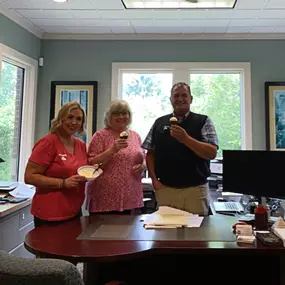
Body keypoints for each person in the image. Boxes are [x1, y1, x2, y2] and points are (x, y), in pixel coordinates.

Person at [142, 82, 218, 215]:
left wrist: (186, 139)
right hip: (166, 189)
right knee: (165, 234)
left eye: (184, 95)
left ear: (191, 99)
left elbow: (211, 153)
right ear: (171, 99)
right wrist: (155, 181)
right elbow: (150, 154)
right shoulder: (159, 123)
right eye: (176, 95)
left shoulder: (203, 121)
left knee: (196, 234)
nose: (180, 99)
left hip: (195, 190)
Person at [24, 101, 88, 227]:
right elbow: (29, 176)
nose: (74, 122)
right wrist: (62, 183)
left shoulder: (80, 145)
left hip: (74, 210)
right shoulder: (48, 143)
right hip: (50, 213)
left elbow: (79, 170)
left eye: (78, 119)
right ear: (61, 118)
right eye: (70, 117)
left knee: (72, 247)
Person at [86, 99, 145, 214]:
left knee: (131, 231)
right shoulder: (100, 136)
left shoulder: (135, 136)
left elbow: (142, 156)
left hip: (131, 196)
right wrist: (112, 150)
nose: (121, 117)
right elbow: (91, 162)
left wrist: (142, 166)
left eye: (124, 113)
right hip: (105, 197)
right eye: (116, 114)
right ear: (109, 117)